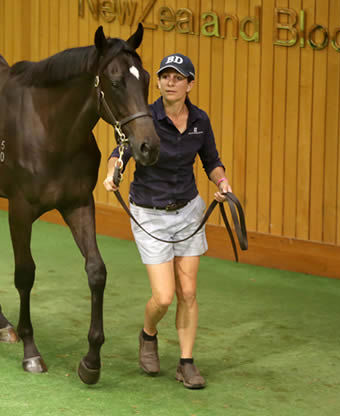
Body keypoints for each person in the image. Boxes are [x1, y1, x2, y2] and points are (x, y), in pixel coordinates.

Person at [103, 53, 232, 389]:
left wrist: (221, 183)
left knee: (188, 292)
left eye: (178, 77)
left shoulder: (200, 121)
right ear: (157, 82)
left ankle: (186, 363)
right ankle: (148, 334)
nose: (170, 83)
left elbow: (212, 161)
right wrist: (112, 172)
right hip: (150, 213)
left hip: (188, 211)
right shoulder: (144, 116)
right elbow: (120, 153)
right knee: (163, 296)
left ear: (190, 84)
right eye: (165, 77)